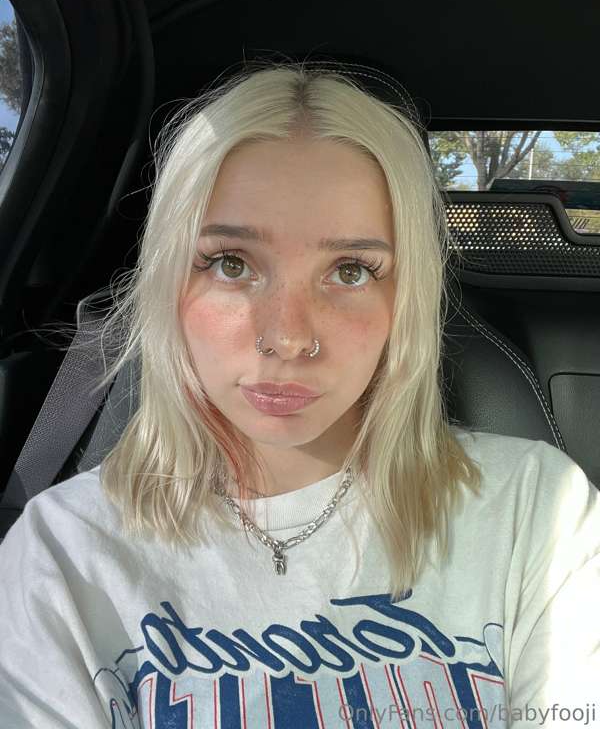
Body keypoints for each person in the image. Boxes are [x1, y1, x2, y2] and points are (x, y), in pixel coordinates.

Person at [0, 59, 599, 728]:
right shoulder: (62, 552)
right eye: (231, 264)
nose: (287, 337)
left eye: (351, 270)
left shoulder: (537, 512)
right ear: (170, 282)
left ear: (405, 298)